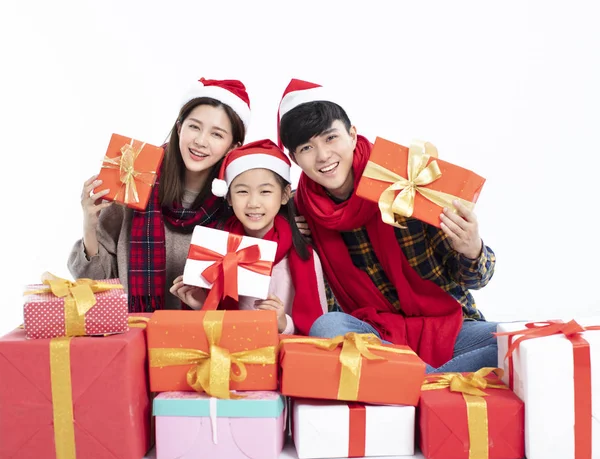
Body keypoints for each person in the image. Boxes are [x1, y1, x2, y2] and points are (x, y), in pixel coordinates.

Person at [277, 79, 497, 373]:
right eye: (307, 147)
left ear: (352, 135)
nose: (323, 156)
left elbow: (476, 279)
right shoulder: (296, 210)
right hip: (373, 337)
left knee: (510, 343)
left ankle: (408, 382)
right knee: (327, 327)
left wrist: (472, 250)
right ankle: (436, 384)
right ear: (294, 158)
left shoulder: (409, 177)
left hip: (448, 327)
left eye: (331, 138)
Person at [68, 77, 250, 311]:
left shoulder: (237, 200)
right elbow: (96, 284)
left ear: (233, 146)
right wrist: (89, 225)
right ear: (178, 127)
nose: (201, 141)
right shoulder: (135, 176)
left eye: (217, 134)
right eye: (194, 126)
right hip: (135, 334)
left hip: (202, 339)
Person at [170, 139, 328, 334]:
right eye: (242, 191)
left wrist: (283, 323)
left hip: (283, 358)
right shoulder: (214, 250)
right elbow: (215, 330)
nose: (254, 203)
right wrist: (201, 304)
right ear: (228, 197)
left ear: (285, 194)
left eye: (265, 191)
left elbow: (320, 332)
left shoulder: (305, 256)